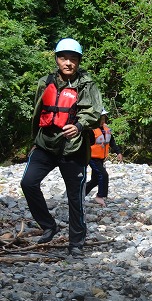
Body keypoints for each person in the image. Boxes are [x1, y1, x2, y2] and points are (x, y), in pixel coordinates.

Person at [20, 38, 103, 257]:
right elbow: (38, 113)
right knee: (28, 183)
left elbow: (94, 112)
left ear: (79, 61)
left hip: (73, 148)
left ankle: (76, 243)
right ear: (57, 59)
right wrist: (32, 142)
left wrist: (78, 126)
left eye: (73, 59)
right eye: (63, 58)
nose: (68, 63)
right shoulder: (44, 81)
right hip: (45, 144)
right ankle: (48, 225)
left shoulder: (87, 84)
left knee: (75, 197)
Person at [84, 109, 122, 206]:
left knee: (95, 180)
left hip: (101, 158)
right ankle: (100, 196)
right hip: (92, 157)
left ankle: (80, 194)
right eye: (101, 118)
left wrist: (118, 152)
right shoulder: (90, 129)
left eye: (104, 118)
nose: (103, 120)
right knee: (103, 175)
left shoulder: (106, 129)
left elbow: (111, 141)